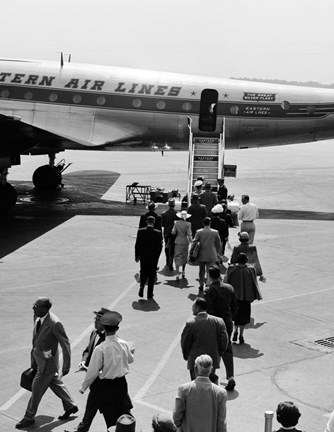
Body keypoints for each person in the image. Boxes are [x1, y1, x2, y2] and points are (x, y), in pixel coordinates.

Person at [16, 297, 78, 429]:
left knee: (36, 389)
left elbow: (65, 344)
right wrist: (33, 361)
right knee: (55, 382)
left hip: (47, 365)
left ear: (45, 309)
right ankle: (71, 405)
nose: (33, 308)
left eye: (36, 306)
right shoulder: (37, 316)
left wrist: (66, 365)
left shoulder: (55, 323)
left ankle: (29, 417)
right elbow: (36, 339)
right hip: (38, 360)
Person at [75, 307, 131, 432]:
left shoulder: (102, 347)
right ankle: (82, 429)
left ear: (105, 325)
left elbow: (93, 371)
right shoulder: (97, 335)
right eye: (95, 319)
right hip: (108, 384)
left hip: (106, 385)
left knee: (114, 417)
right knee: (91, 410)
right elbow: (87, 350)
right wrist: (84, 361)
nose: (95, 322)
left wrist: (83, 387)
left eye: (98, 320)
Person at [173, 354, 227, 432]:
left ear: (195, 369)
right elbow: (222, 423)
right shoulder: (221, 393)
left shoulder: (184, 389)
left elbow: (176, 418)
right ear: (211, 369)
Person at [204, 265, 238, 391]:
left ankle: (212, 375)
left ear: (209, 276)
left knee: (213, 350)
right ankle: (230, 377)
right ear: (219, 274)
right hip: (227, 321)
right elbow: (235, 306)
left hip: (214, 323)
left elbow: (209, 309)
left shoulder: (209, 290)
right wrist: (230, 317)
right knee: (227, 349)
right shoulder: (229, 288)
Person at [180, 297, 228, 384]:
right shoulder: (218, 321)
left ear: (198, 308)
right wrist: (219, 353)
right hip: (212, 360)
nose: (192, 308)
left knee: (196, 386)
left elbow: (185, 343)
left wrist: (186, 356)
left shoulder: (190, 323)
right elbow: (224, 340)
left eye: (193, 306)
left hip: (195, 361)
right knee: (210, 384)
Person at [224, 253, 262, 344]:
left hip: (234, 298)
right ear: (246, 260)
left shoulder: (231, 269)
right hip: (246, 298)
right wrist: (254, 295)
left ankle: (235, 330)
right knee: (243, 318)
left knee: (235, 317)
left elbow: (225, 281)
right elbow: (255, 284)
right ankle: (241, 335)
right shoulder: (251, 269)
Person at [135, 216, 163, 299]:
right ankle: (150, 293)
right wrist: (157, 256)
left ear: (147, 222)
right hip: (153, 257)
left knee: (143, 271)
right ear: (154, 222)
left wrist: (137, 256)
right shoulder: (158, 232)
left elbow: (137, 245)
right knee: (151, 274)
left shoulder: (140, 231)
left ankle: (142, 286)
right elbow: (159, 246)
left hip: (143, 255)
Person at [191, 217, 222, 292]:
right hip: (212, 253)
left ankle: (201, 284)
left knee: (201, 270)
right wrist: (216, 252)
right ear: (210, 223)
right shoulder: (215, 232)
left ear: (203, 223)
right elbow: (218, 244)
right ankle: (208, 283)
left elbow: (194, 242)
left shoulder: (199, 232)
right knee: (210, 270)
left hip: (201, 254)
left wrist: (192, 251)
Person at [171, 210, 192, 280]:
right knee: (184, 257)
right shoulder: (188, 224)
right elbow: (189, 234)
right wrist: (191, 241)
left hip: (177, 242)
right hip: (185, 242)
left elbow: (173, 232)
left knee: (177, 257)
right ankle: (183, 271)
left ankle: (177, 273)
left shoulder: (176, 223)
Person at [161, 198, 178, 271]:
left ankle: (168, 261)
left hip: (167, 233)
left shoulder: (164, 213)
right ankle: (171, 261)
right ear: (174, 205)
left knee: (167, 247)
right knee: (173, 247)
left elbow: (163, 224)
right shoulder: (177, 214)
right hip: (175, 233)